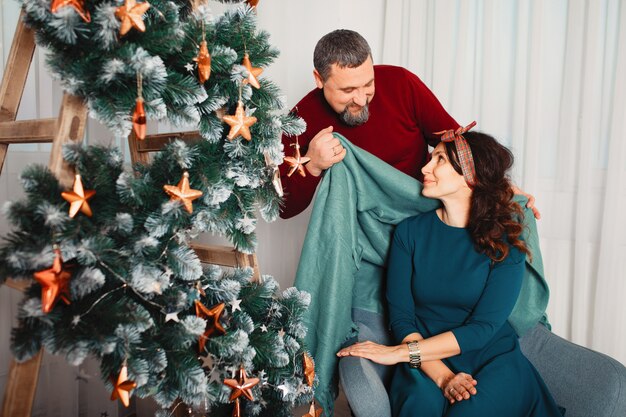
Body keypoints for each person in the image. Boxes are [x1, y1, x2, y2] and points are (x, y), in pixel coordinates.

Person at [337, 125, 563, 416]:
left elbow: (482, 330)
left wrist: (397, 354)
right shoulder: (410, 233)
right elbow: (403, 318)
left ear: (471, 176)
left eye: (439, 160)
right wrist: (442, 375)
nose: (425, 166)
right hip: (424, 357)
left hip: (490, 358)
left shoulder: (507, 245)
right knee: (420, 406)